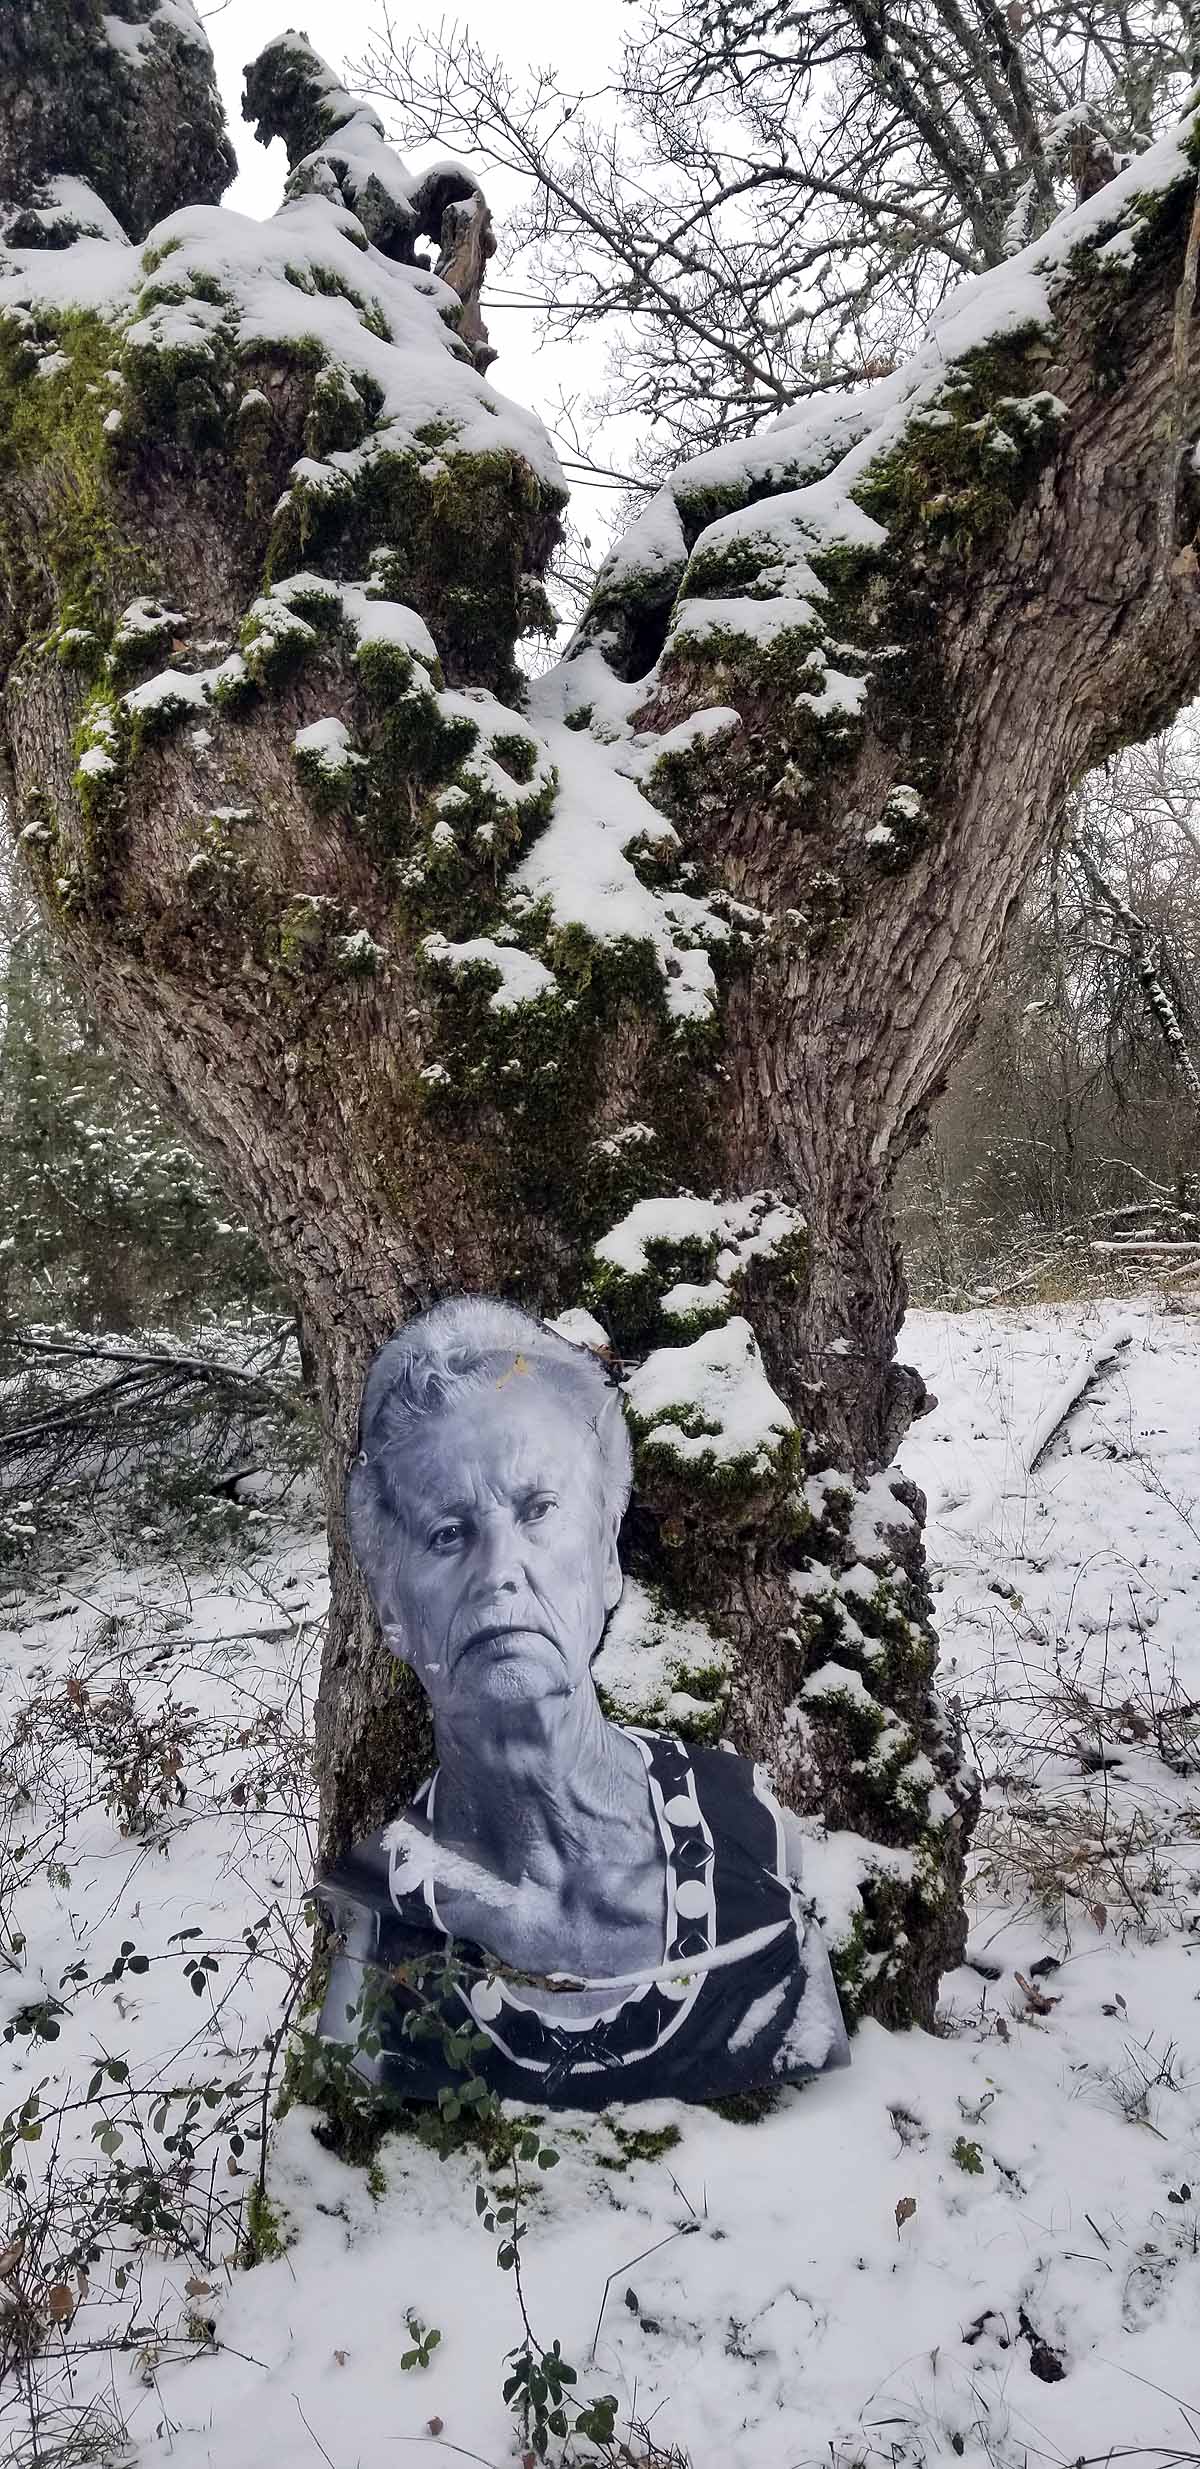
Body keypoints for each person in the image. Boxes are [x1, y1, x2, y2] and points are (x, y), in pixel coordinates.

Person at [316, 1296, 850, 2109]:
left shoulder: (746, 1828)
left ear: (607, 1560)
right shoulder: (382, 1917)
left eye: (538, 1511)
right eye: (449, 1532)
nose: (501, 1569)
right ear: (391, 1604)